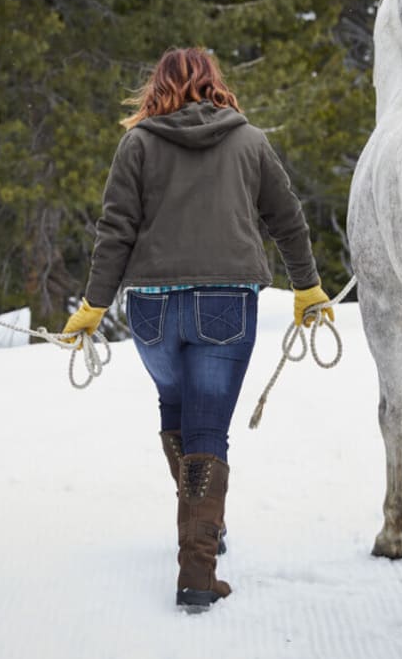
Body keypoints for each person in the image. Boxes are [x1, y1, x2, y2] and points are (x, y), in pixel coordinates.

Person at [61, 47, 333, 612]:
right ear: (215, 84)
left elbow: (115, 231)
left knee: (177, 407)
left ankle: (203, 527)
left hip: (153, 310)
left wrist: (93, 304)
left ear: (157, 87)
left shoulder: (137, 143)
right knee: (207, 429)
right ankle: (197, 572)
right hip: (225, 303)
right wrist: (306, 287)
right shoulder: (249, 140)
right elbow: (288, 220)